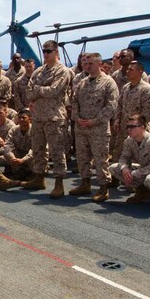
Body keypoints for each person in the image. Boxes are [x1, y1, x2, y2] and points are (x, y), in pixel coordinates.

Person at [24, 41, 74, 198]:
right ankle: (39, 177)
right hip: (38, 116)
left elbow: (53, 91)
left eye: (49, 51)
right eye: (44, 51)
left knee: (57, 150)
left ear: (56, 52)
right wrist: (41, 89)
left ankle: (59, 183)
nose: (45, 54)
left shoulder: (62, 71)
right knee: (38, 149)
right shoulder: (38, 71)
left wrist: (38, 89)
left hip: (54, 117)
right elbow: (28, 93)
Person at [69, 53, 119, 202]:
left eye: (90, 63)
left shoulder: (108, 83)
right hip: (81, 127)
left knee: (100, 159)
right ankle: (85, 183)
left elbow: (111, 106)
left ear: (99, 64)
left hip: (98, 129)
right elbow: (75, 101)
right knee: (82, 157)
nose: (87, 66)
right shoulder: (82, 82)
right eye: (85, 63)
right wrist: (77, 118)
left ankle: (103, 188)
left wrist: (94, 121)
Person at [110, 114, 150, 211]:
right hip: (144, 169)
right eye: (128, 127)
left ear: (142, 128)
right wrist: (124, 168)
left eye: (132, 127)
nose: (129, 130)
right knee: (114, 168)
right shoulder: (129, 140)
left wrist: (135, 173)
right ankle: (142, 191)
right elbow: (124, 157)